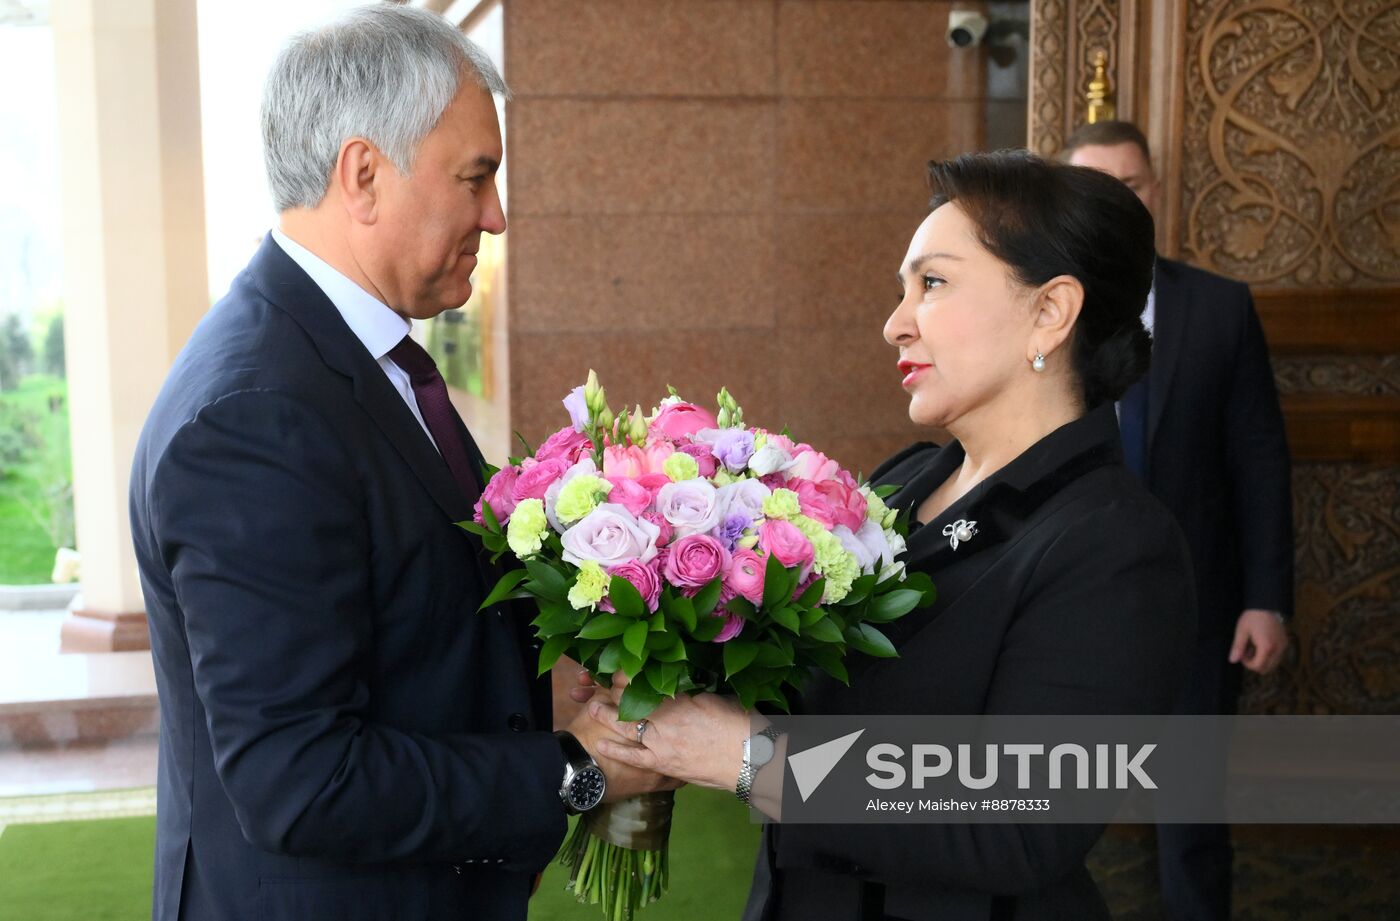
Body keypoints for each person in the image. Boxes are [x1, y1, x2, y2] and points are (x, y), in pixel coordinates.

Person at [129, 7, 668, 921]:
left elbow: (408, 620)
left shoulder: (349, 361)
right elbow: (299, 779)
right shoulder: (259, 414)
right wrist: (576, 771)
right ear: (364, 174)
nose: (496, 216)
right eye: (476, 177)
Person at [588, 150, 1196, 920]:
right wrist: (661, 651)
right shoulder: (904, 481)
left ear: (1051, 310)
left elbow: (1019, 826)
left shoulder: (1114, 545)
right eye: (901, 289)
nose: (894, 323)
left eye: (932, 284)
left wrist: (752, 760)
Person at [1064, 120, 1293, 921]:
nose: (1118, 200)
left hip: (1199, 610)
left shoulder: (1220, 308)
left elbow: (1258, 461)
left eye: (1132, 183)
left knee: (1190, 816)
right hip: (1069, 614)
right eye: (1097, 185)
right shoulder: (1039, 314)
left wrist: (1267, 597)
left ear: (1155, 191)